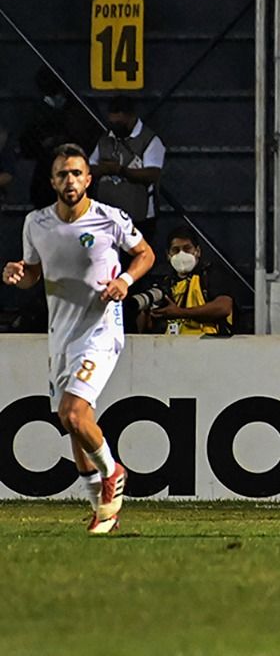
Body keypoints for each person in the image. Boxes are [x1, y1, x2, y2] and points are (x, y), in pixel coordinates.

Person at [3, 143, 156, 535]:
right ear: (52, 181)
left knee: (73, 412)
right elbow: (35, 273)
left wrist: (124, 280)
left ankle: (113, 471)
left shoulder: (109, 218)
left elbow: (146, 254)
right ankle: (103, 514)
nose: (69, 180)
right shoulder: (36, 223)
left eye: (76, 173)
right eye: (61, 174)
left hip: (100, 330)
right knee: (74, 424)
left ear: (88, 179)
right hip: (62, 335)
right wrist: (21, 275)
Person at [18, 67, 99, 209]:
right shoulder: (34, 113)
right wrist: (45, 145)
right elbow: (26, 146)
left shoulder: (79, 109)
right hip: (46, 179)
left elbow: (91, 138)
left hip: (76, 177)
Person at [89, 95, 164, 242]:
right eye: (112, 123)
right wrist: (104, 169)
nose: (116, 128)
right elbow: (89, 167)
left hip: (139, 218)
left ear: (131, 117)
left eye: (120, 124)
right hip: (106, 216)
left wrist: (121, 170)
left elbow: (153, 174)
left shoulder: (149, 140)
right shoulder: (105, 139)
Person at [136, 225, 234, 336]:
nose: (181, 254)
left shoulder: (211, 274)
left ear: (197, 251)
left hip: (208, 343)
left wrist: (180, 313)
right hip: (173, 345)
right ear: (168, 255)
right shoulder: (165, 283)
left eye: (187, 249)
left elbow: (224, 307)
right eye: (176, 250)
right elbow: (148, 328)